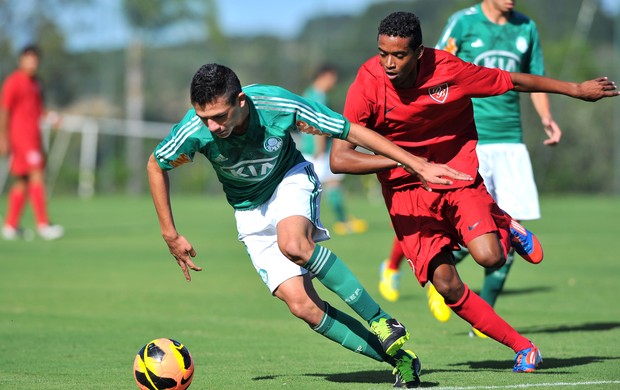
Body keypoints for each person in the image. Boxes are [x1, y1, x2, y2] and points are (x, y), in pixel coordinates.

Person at [146, 64, 471, 387]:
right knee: (303, 307)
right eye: (205, 118)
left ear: (241, 101)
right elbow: (156, 165)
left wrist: (412, 162)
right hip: (248, 211)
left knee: (294, 245)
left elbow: (348, 130)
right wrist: (169, 233)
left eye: (220, 116)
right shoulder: (195, 129)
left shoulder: (278, 105)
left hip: (289, 180)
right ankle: (400, 360)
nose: (213, 126)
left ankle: (382, 320)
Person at [331, 11, 617, 374]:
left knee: (490, 257)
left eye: (399, 55)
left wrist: (574, 89)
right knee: (447, 285)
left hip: (456, 176)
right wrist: (410, 164)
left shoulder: (449, 69)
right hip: (405, 193)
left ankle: (501, 220)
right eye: (383, 53)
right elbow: (340, 159)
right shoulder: (368, 82)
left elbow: (513, 80)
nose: (388, 63)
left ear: (419, 52)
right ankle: (523, 347)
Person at [381, 0, 562, 337]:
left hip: (510, 139)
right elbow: (432, 66)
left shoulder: (526, 28)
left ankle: (485, 310)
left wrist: (547, 116)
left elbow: (531, 78)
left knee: (504, 236)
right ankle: (407, 270)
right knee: (441, 216)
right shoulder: (463, 24)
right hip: (464, 140)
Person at [0, 45, 64, 240]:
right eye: (28, 59)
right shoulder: (13, 82)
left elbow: (38, 110)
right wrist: (2, 137)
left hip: (34, 138)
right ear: (21, 60)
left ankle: (10, 226)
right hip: (20, 138)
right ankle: (43, 224)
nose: (32, 63)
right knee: (37, 175)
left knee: (23, 181)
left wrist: (51, 117)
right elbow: (4, 111)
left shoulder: (36, 83)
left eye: (35, 60)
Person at [299, 64, 368, 235]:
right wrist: (320, 147)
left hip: (309, 148)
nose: (333, 83)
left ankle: (339, 221)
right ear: (325, 76)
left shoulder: (307, 93)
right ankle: (341, 222)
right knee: (331, 184)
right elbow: (318, 123)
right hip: (318, 150)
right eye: (332, 79)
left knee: (317, 186)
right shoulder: (319, 96)